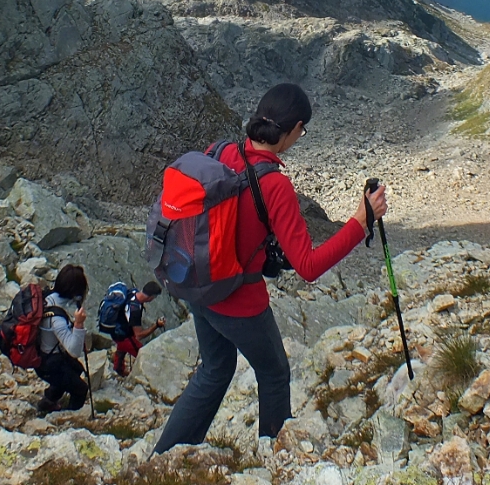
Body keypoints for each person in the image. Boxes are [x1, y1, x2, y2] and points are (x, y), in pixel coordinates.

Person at [154, 82, 388, 452]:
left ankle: (162, 458)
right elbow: (308, 266)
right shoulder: (275, 185)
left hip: (197, 284)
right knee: (275, 373)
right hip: (237, 299)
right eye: (302, 131)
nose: (300, 136)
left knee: (215, 370)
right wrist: (361, 221)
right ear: (293, 129)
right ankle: (273, 459)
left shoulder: (221, 151)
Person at [36, 263, 89, 414]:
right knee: (81, 389)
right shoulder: (56, 319)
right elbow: (74, 351)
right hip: (49, 364)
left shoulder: (49, 297)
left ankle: (48, 402)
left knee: (76, 369)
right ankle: (68, 416)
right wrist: (78, 323)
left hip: (43, 356)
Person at [111, 281, 166, 377]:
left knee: (122, 347)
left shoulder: (132, 292)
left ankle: (118, 369)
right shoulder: (135, 309)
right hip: (123, 336)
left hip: (116, 328)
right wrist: (156, 325)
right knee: (143, 354)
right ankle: (147, 376)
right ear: (151, 297)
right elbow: (139, 335)